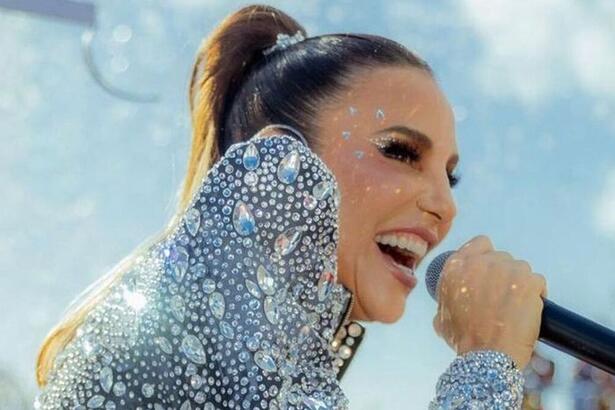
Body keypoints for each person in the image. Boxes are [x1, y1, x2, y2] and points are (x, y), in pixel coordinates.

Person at [34, 4, 548, 409]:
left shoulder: (265, 326)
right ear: (280, 152)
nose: (446, 206)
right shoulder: (212, 291)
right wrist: (486, 361)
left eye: (449, 176)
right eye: (400, 151)